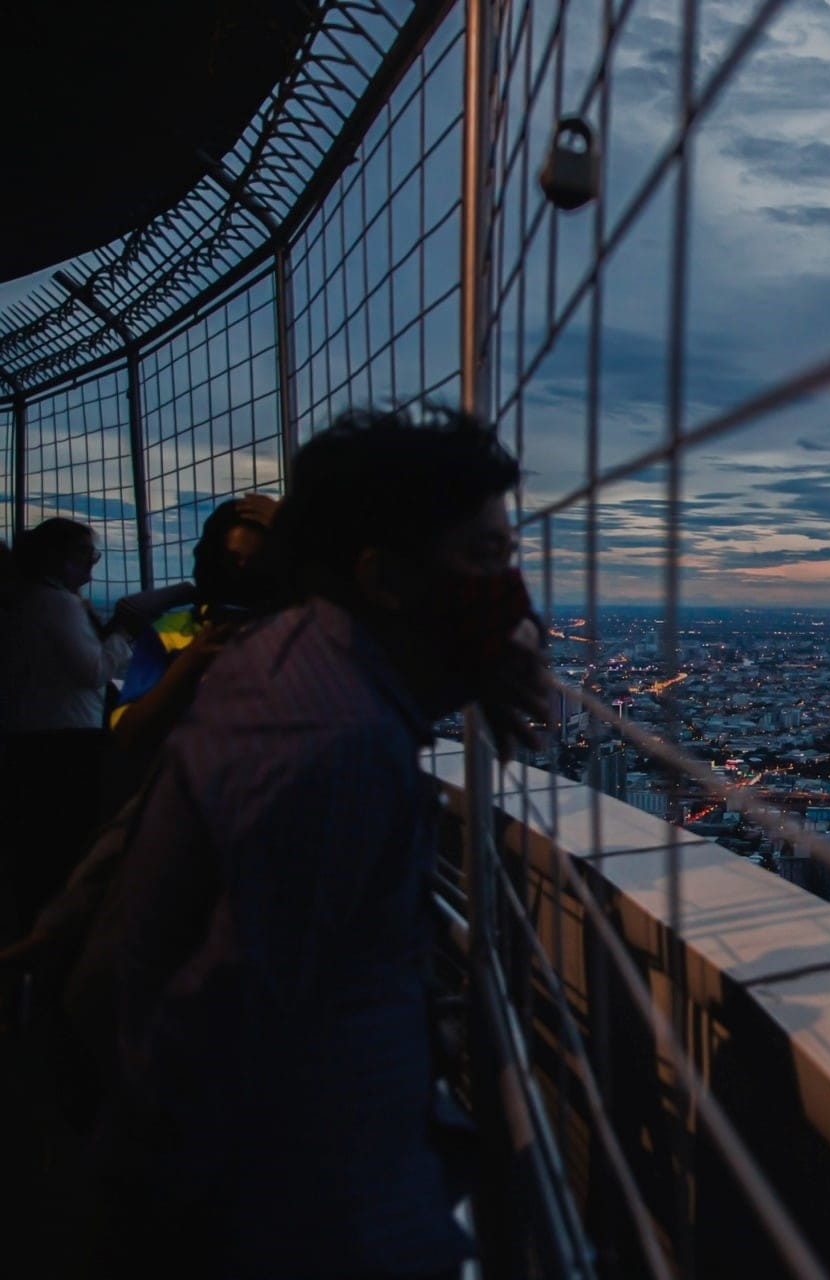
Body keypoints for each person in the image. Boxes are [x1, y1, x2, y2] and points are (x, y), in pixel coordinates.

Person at [99, 406, 542, 1279]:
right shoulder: (334, 747)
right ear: (384, 578)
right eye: (485, 556)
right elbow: (228, 1021)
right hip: (303, 1211)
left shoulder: (290, 658)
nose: (512, 586)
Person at [0, 518, 138, 937]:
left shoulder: (30, 601)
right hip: (64, 743)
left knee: (37, 857)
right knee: (63, 854)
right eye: (84, 555)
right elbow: (92, 671)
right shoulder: (57, 604)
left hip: (32, 739)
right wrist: (125, 634)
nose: (91, 565)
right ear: (55, 558)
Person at [106, 494, 280, 800]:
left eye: (256, 565)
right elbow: (127, 734)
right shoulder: (170, 635)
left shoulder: (298, 631)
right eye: (232, 561)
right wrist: (186, 668)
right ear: (212, 560)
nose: (241, 572)